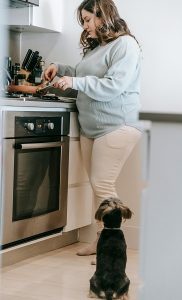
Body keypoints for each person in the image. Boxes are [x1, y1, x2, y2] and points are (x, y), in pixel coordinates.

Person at [43, 0, 142, 256]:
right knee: (98, 186)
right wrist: (61, 70)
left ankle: (112, 246)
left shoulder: (125, 45)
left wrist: (75, 80)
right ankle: (102, 240)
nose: (85, 27)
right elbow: (84, 73)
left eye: (88, 20)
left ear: (103, 16)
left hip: (117, 125)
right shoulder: (98, 47)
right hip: (91, 126)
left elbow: (112, 85)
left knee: (102, 183)